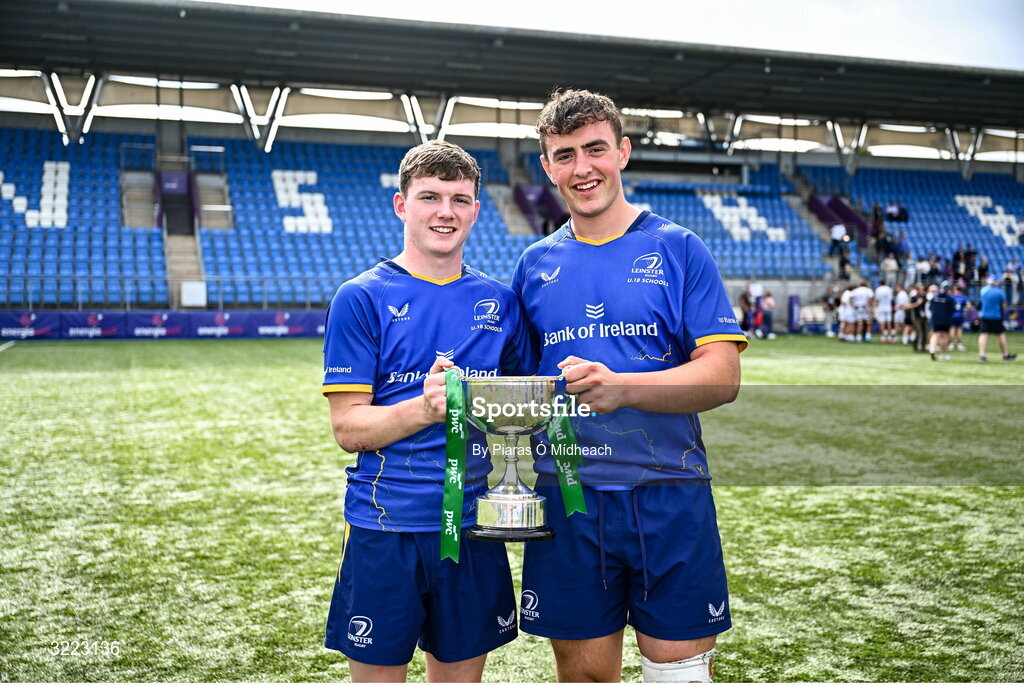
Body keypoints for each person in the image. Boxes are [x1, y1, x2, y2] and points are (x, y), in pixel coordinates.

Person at [512, 89, 745, 684]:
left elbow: (722, 376)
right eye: (564, 155)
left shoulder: (679, 248)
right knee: (586, 679)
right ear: (547, 166)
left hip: (668, 491)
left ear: (623, 152)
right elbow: (516, 383)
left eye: (595, 149)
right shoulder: (534, 264)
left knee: (679, 678)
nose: (581, 168)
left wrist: (624, 388)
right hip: (570, 500)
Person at [320, 141, 535, 682]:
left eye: (460, 199)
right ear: (401, 205)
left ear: (476, 211)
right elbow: (348, 428)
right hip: (384, 526)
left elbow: (521, 405)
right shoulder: (361, 297)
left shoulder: (501, 302)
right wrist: (426, 407)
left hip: (470, 526)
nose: (446, 212)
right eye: (430, 197)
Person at [978, 276, 1017, 362]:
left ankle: (982, 355)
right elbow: (1004, 306)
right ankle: (1005, 355)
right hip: (996, 316)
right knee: (1000, 335)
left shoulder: (983, 290)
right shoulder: (1000, 292)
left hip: (984, 316)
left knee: (984, 335)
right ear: (996, 282)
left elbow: (981, 303)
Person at [928, 281, 954, 361]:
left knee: (935, 334)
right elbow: (952, 310)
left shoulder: (935, 297)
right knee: (944, 336)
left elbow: (930, 308)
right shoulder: (949, 299)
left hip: (935, 319)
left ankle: (932, 349)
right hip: (945, 320)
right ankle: (943, 354)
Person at [950, 285, 970, 352]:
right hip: (960, 315)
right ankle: (959, 345)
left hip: (952, 315)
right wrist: (966, 314)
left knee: (952, 329)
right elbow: (969, 306)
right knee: (959, 329)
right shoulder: (963, 297)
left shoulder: (952, 297)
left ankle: (951, 344)